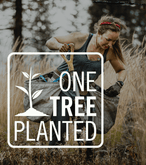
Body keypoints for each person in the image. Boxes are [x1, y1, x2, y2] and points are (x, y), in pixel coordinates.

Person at [45, 15, 127, 153]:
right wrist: (60, 46)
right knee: (59, 130)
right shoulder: (80, 39)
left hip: (84, 94)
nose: (111, 44)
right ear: (99, 33)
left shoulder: (109, 52)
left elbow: (121, 69)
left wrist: (119, 83)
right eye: (108, 39)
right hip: (63, 91)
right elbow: (50, 41)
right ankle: (50, 164)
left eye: (114, 41)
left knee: (86, 135)